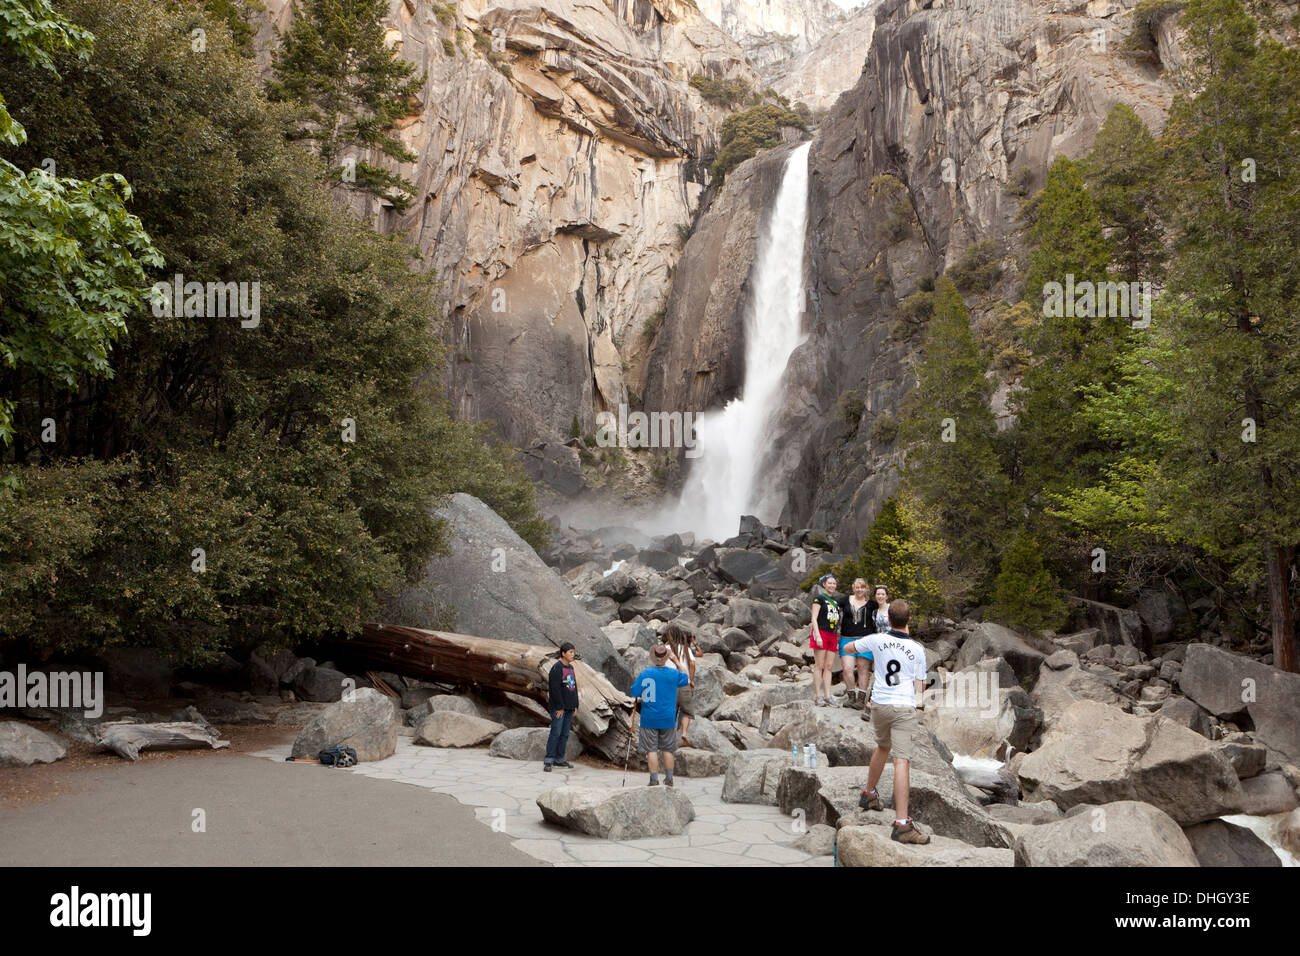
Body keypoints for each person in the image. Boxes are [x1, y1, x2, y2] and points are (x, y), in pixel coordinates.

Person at [839, 599, 932, 844]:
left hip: (879, 704)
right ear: (909, 621)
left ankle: (869, 793)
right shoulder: (918, 649)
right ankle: (902, 824)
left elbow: (849, 648)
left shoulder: (877, 639)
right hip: (902, 706)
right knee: (902, 761)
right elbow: (920, 686)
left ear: (888, 620)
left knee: (882, 747)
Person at [628, 644, 691, 787]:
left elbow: (634, 692)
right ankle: (669, 779)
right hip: (668, 718)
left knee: (651, 750)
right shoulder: (673, 674)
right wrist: (676, 661)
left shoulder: (646, 673)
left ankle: (654, 780)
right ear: (666, 658)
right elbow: (686, 678)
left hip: (649, 718)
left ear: (653, 658)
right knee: (668, 749)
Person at [837, 578, 876, 710]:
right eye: (857, 587)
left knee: (862, 668)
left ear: (866, 589)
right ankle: (851, 696)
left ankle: (861, 699)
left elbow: (883, 612)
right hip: (847, 638)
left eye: (862, 587)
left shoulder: (871, 604)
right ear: (853, 588)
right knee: (847, 669)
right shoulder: (844, 600)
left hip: (866, 640)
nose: (860, 590)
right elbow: (831, 609)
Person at [544, 642, 579, 771]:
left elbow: (574, 688)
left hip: (570, 707)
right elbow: (554, 689)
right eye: (570, 652)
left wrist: (575, 705)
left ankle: (560, 759)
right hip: (559, 708)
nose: (573, 654)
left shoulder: (571, 668)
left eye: (573, 652)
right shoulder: (556, 668)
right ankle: (549, 759)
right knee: (556, 732)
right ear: (563, 653)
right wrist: (559, 707)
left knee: (564, 734)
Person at [809, 574, 842, 706]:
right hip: (821, 632)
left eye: (834, 583)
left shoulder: (835, 601)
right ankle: (818, 696)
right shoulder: (819, 599)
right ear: (824, 584)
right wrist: (817, 635)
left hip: (832, 634)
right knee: (819, 665)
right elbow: (813, 618)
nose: (832, 586)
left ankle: (827, 696)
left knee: (829, 666)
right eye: (830, 583)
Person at [662, 622, 697, 748]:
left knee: (671, 711)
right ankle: (684, 733)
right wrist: (691, 680)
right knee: (686, 711)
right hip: (684, 683)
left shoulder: (665, 650)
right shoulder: (686, 649)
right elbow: (692, 664)